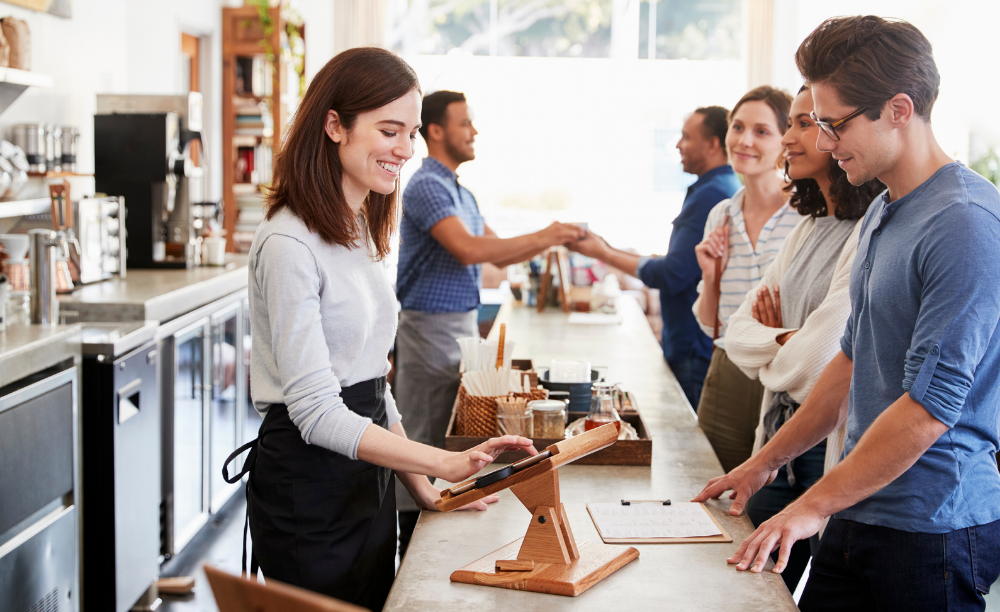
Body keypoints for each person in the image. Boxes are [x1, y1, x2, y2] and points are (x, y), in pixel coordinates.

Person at [694, 16, 1000, 611]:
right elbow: (850, 360)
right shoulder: (885, 210)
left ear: (899, 109)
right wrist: (763, 464)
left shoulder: (963, 223)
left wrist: (810, 504)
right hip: (858, 506)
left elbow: (928, 411)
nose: (826, 144)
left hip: (932, 528)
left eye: (834, 125)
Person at [231, 48, 536, 612]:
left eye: (411, 132)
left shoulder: (355, 225)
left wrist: (417, 481)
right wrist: (439, 461)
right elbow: (319, 412)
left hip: (365, 477)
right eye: (389, 130)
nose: (405, 149)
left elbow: (371, 378)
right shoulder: (288, 243)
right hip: (310, 487)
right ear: (334, 125)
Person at [393, 91, 583, 534]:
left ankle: (433, 528)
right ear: (435, 130)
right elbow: (469, 249)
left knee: (443, 433)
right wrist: (548, 233)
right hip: (427, 330)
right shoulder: (426, 186)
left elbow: (496, 253)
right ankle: (408, 545)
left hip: (456, 325)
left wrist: (553, 241)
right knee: (422, 435)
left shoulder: (461, 192)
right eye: (465, 123)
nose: (474, 131)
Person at [719, 85, 884, 591]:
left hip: (826, 443)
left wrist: (783, 341)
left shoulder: (870, 228)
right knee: (750, 583)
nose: (790, 138)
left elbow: (819, 363)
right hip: (779, 433)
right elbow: (736, 334)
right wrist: (790, 337)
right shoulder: (808, 228)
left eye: (804, 124)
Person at [568, 106, 740, 409]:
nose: (677, 145)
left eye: (686, 137)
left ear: (714, 144)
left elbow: (672, 274)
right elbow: (683, 263)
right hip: (691, 341)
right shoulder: (717, 188)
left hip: (693, 346)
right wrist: (606, 248)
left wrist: (604, 253)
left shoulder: (711, 195)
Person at [691, 86, 802, 472]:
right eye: (737, 127)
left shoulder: (808, 214)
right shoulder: (721, 214)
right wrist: (711, 276)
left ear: (787, 142)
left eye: (761, 131)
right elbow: (710, 324)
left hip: (786, 371)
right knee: (709, 486)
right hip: (727, 371)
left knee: (768, 501)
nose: (744, 140)